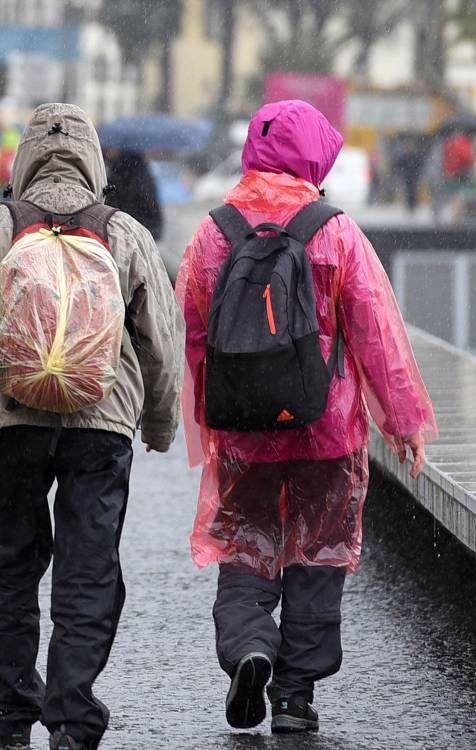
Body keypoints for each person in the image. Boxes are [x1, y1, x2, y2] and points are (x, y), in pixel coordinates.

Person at [177, 100, 436, 735]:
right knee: (318, 552)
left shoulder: (215, 231)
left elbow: (192, 331)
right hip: (326, 428)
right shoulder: (335, 229)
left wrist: (206, 422)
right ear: (315, 154)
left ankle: (249, 649)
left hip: (244, 428)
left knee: (244, 545)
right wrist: (403, 422)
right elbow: (376, 331)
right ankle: (294, 695)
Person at [0, 103, 182, 750]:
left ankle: (8, 718)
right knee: (88, 568)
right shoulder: (124, 231)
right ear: (93, 160)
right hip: (99, 425)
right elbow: (160, 338)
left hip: (13, 420)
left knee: (10, 567)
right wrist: (158, 423)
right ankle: (72, 719)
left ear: (23, 159)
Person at [104, 149, 164, 240]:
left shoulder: (115, 174)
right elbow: (154, 220)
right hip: (140, 235)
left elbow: (108, 203)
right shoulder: (144, 176)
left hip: (116, 235)